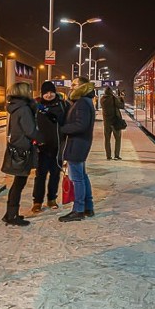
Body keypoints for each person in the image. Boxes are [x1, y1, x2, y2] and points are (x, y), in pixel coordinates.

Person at [59, 76, 96, 222]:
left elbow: (81, 125)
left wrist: (63, 129)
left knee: (77, 179)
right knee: (82, 176)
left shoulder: (82, 102)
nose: (71, 87)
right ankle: (88, 206)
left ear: (82, 86)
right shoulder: (85, 101)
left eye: (75, 84)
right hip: (80, 143)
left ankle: (78, 210)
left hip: (77, 144)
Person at [2, 81, 39, 227]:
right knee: (19, 183)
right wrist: (41, 139)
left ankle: (9, 214)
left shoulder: (16, 107)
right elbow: (30, 130)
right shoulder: (24, 109)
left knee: (18, 182)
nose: (31, 92)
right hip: (23, 149)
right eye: (28, 90)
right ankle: (12, 215)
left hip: (17, 147)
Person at [30, 80, 69, 214]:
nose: (49, 95)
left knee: (55, 174)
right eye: (46, 93)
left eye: (51, 92)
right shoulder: (36, 107)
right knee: (40, 175)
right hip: (41, 147)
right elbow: (31, 126)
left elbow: (66, 123)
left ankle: (52, 198)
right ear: (42, 94)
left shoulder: (63, 105)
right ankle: (37, 201)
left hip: (57, 146)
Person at [100, 86, 123, 160]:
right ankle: (116, 155)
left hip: (106, 122)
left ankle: (108, 156)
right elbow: (121, 106)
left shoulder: (102, 99)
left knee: (107, 140)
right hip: (115, 122)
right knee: (118, 139)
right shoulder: (113, 98)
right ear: (111, 92)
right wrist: (121, 99)